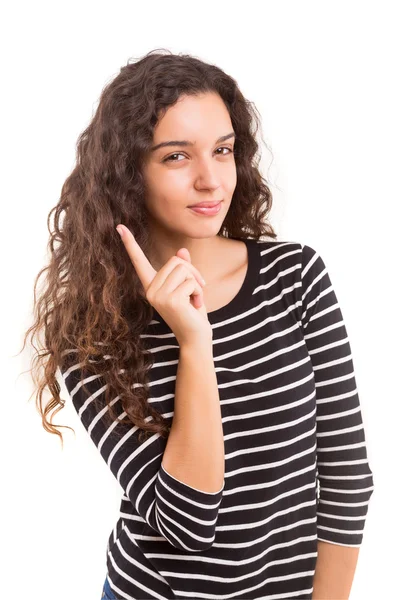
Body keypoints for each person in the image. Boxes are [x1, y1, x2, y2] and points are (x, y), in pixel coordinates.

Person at [23, 49, 374, 600]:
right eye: (177, 157)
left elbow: (347, 476)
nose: (212, 180)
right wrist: (193, 342)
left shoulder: (295, 276)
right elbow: (188, 524)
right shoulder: (93, 332)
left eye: (223, 150)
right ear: (127, 173)